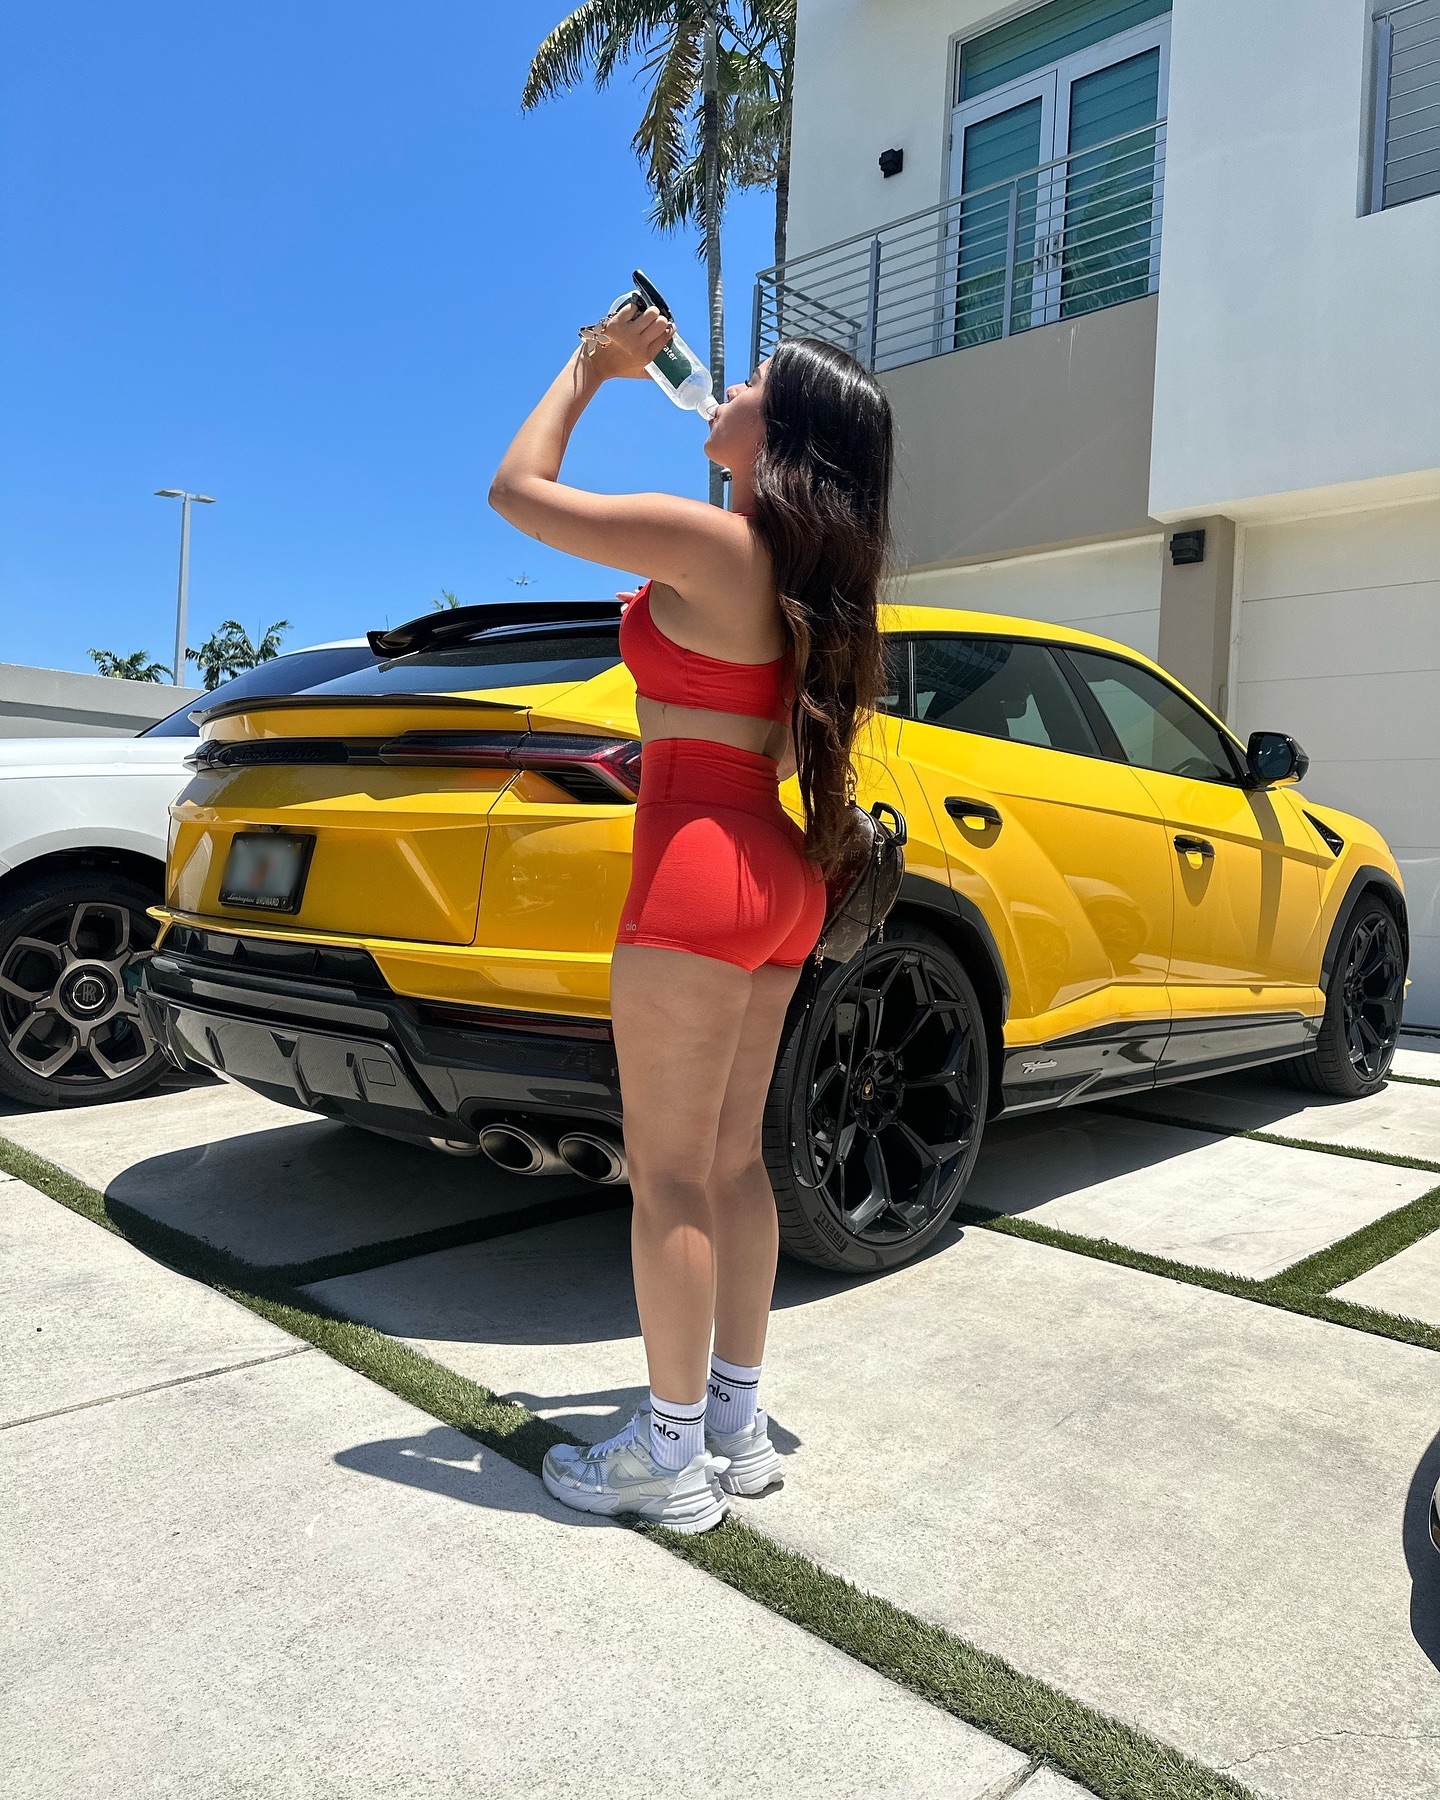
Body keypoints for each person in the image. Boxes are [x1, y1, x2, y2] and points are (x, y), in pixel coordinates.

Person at [489, 302, 895, 1533]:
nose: (728, 383)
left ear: (783, 434)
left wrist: (590, 366)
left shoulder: (713, 542)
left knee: (666, 1175)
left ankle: (665, 1459)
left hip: (698, 865)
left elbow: (515, 492)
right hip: (777, 870)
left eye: (756, 377)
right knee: (731, 1165)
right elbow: (767, 742)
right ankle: (734, 1423)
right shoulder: (825, 592)